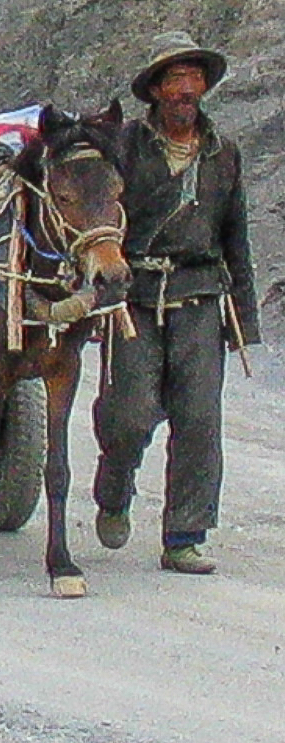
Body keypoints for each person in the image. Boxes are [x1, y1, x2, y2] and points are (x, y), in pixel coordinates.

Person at [93, 31, 259, 575]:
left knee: (198, 422)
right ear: (157, 91)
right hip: (135, 298)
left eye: (194, 80)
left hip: (200, 299)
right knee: (131, 414)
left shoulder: (223, 154)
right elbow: (99, 215)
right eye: (175, 80)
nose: (186, 90)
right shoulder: (124, 147)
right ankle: (113, 490)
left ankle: (184, 536)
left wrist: (243, 320)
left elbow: (236, 236)